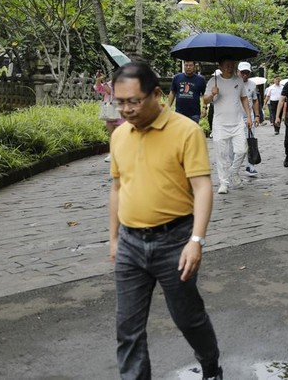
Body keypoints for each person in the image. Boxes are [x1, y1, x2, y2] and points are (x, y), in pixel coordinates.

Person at [108, 62, 222, 380]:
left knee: (188, 318)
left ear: (156, 94)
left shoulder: (186, 131)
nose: (126, 109)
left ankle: (211, 366)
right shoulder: (120, 135)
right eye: (120, 102)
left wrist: (196, 241)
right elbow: (117, 188)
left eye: (134, 101)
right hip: (130, 244)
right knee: (127, 328)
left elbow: (202, 187)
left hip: (174, 241)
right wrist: (114, 239)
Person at [202, 60, 253, 194]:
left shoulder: (238, 80)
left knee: (242, 150)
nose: (229, 68)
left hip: (237, 122)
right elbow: (205, 100)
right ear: (220, 67)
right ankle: (223, 183)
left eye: (231, 66)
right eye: (227, 66)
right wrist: (212, 94)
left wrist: (249, 116)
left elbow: (244, 98)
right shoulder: (213, 81)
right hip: (220, 124)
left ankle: (234, 171)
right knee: (222, 154)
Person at [94, 71, 125, 163]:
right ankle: (112, 153)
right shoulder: (110, 82)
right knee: (111, 134)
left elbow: (111, 92)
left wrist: (104, 82)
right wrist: (98, 80)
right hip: (110, 111)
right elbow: (98, 88)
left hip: (120, 112)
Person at [239, 62, 262, 178]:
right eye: (242, 72)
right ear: (238, 72)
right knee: (236, 144)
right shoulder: (233, 83)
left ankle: (250, 165)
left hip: (249, 117)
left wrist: (257, 115)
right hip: (235, 117)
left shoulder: (252, 84)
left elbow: (255, 100)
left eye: (247, 73)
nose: (244, 75)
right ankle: (234, 166)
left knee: (250, 141)